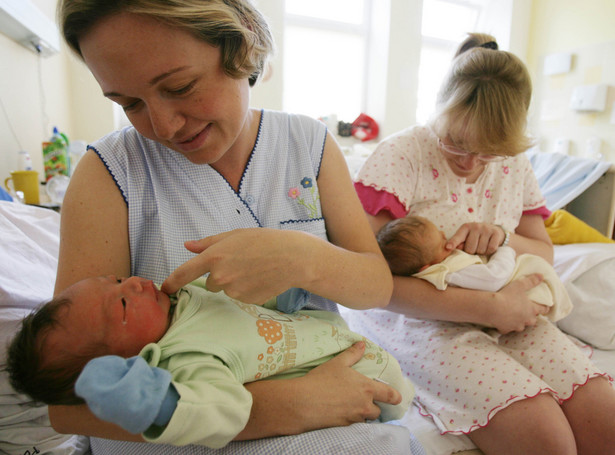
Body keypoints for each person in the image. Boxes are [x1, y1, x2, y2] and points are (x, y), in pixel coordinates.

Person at [51, 1, 414, 454]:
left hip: (330, 399)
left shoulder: (309, 146)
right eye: (129, 104)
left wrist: (303, 258)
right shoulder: (109, 173)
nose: (162, 126)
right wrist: (287, 405)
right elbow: (66, 404)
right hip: (180, 428)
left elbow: (376, 288)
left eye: (180, 87)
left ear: (240, 44)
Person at [344, 33, 615, 454]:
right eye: (456, 143)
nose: (469, 163)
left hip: (512, 314)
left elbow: (544, 251)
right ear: (441, 108)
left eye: (487, 153)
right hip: (419, 319)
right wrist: (488, 308)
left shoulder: (514, 162)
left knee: (607, 420)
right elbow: (362, 280)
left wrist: (504, 237)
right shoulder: (402, 156)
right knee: (549, 441)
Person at [8, 276, 413, 449]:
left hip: (338, 336)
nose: (131, 282)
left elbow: (244, 298)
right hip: (360, 378)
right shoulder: (185, 359)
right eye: (124, 303)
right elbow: (220, 410)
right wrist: (163, 405)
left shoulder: (185, 292)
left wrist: (281, 292)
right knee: (394, 421)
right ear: (126, 363)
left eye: (116, 280)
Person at [376, 214, 572, 321]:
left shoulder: (438, 264)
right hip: (517, 292)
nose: (446, 235)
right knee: (536, 270)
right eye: (442, 240)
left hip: (514, 298)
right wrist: (504, 249)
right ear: (427, 267)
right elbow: (494, 278)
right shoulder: (451, 271)